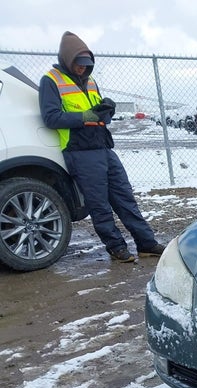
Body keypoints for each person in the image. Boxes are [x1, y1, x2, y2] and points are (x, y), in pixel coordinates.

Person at [39, 31, 165, 263]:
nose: (83, 69)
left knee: (125, 198)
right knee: (99, 204)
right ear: (68, 59)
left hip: (104, 147)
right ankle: (116, 247)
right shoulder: (51, 80)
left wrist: (105, 110)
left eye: (87, 65)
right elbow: (51, 117)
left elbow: (96, 114)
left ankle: (146, 243)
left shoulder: (91, 81)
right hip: (79, 151)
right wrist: (84, 116)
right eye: (79, 64)